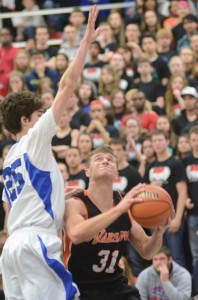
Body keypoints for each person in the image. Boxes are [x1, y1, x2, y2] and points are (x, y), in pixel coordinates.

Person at [0, 6, 100, 300]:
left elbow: (15, 204)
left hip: (12, 249)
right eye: (39, 113)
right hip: (36, 241)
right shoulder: (34, 140)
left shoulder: (9, 158)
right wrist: (85, 43)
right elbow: (67, 85)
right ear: (26, 120)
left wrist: (58, 194)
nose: (44, 115)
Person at [64, 145, 172, 300]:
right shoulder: (75, 203)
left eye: (110, 160)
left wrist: (159, 232)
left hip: (116, 285)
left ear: (116, 172)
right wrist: (118, 210)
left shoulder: (124, 203)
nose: (105, 161)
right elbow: (76, 234)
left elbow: (147, 252)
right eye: (98, 159)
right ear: (87, 171)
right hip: (81, 287)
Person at [144, 130, 187, 268]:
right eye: (154, 141)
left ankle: (182, 288)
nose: (157, 143)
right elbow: (144, 194)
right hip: (154, 220)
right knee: (158, 257)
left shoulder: (176, 164)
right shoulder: (150, 166)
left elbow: (182, 192)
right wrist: (152, 187)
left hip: (171, 217)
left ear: (168, 142)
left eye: (160, 140)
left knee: (176, 257)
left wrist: (178, 218)